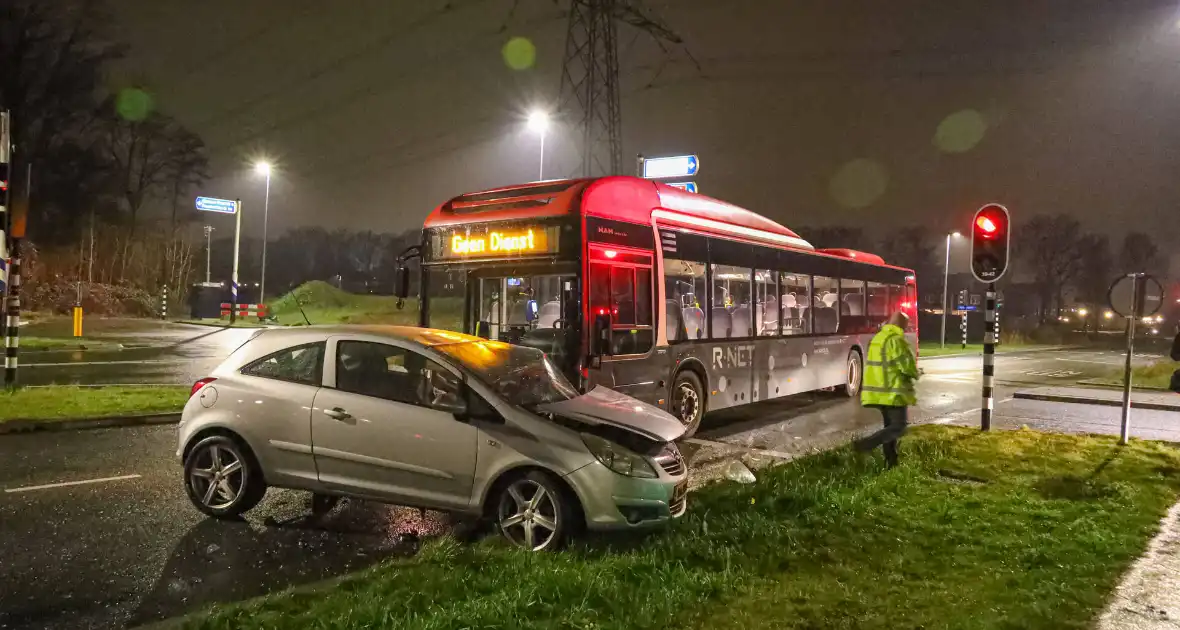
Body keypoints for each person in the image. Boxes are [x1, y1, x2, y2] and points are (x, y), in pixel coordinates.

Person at [855, 311, 919, 467]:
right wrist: (916, 373)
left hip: (879, 393)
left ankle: (891, 462)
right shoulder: (896, 340)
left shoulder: (878, 338)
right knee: (899, 427)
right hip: (893, 392)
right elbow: (906, 366)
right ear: (901, 324)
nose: (906, 327)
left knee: (889, 429)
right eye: (906, 324)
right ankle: (866, 444)